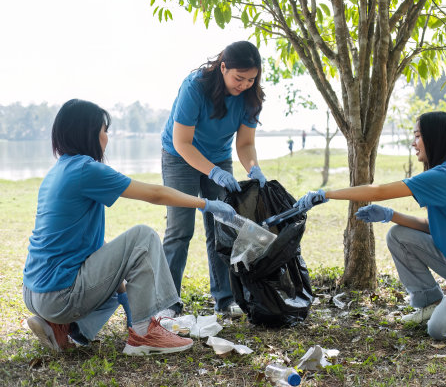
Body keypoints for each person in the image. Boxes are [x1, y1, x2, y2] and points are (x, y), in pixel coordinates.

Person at [23, 99, 237, 355]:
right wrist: (205, 203)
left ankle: (61, 327)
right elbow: (155, 193)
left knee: (118, 266)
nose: (107, 138)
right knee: (143, 237)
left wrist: (127, 299)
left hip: (35, 292)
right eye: (104, 131)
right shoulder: (85, 170)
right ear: (88, 134)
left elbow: (95, 253)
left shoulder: (58, 171)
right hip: (59, 296)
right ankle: (145, 334)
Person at [294, 111, 446, 341]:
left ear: (435, 138)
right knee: (398, 235)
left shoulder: (445, 175)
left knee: (440, 330)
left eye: (418, 136)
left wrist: (325, 194)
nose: (413, 143)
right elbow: (432, 226)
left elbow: (378, 192)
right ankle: (430, 303)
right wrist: (391, 215)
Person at [160, 41, 266, 319]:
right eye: (238, 78)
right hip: (179, 156)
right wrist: (214, 173)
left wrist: (253, 168)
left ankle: (224, 298)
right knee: (180, 228)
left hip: (219, 156)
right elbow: (182, 143)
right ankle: (167, 302)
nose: (244, 85)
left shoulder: (251, 97)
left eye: (251, 79)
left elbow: (244, 144)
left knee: (223, 226)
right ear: (223, 68)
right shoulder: (194, 87)